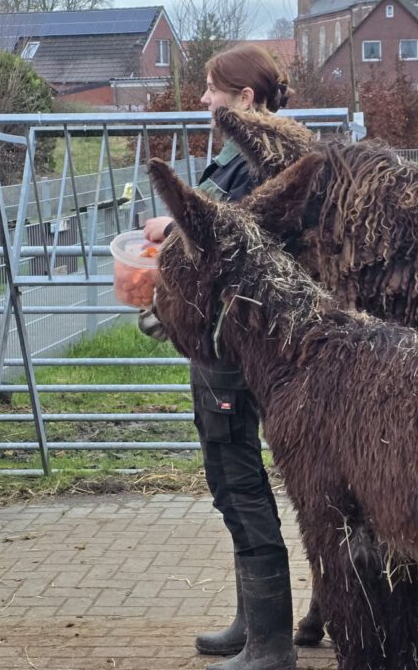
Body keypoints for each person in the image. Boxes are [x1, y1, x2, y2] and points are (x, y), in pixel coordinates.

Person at [142, 44, 297, 670]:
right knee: (231, 479)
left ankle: (271, 642)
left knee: (238, 478)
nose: (204, 100)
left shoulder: (253, 168)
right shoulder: (246, 158)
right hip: (222, 343)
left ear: (245, 100)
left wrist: (170, 231)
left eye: (212, 90)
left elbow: (231, 247)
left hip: (234, 347)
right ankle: (252, 621)